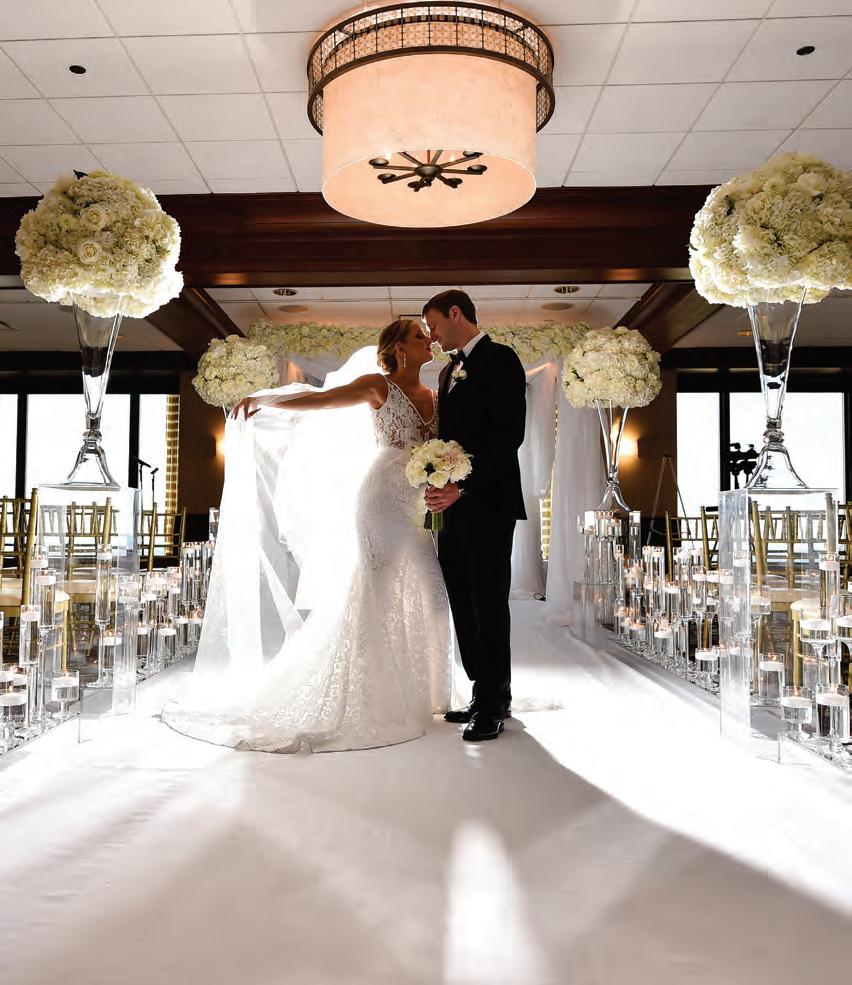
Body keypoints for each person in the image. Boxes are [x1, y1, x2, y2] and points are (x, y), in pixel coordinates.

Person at [162, 319, 464, 752]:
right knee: (378, 593)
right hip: (380, 502)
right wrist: (267, 399)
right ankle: (373, 693)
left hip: (415, 507)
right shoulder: (377, 386)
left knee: (432, 594)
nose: (429, 340)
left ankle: (431, 692)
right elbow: (321, 400)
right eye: (419, 336)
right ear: (399, 348)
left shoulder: (436, 396)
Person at [422, 290, 527, 742]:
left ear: (455, 313)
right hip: (451, 510)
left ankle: (494, 701)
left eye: (433, 325)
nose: (432, 335)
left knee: (488, 601)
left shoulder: (501, 359)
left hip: (488, 503)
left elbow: (509, 437)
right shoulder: (447, 372)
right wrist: (433, 479)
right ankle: (481, 691)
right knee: (462, 601)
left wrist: (461, 487)